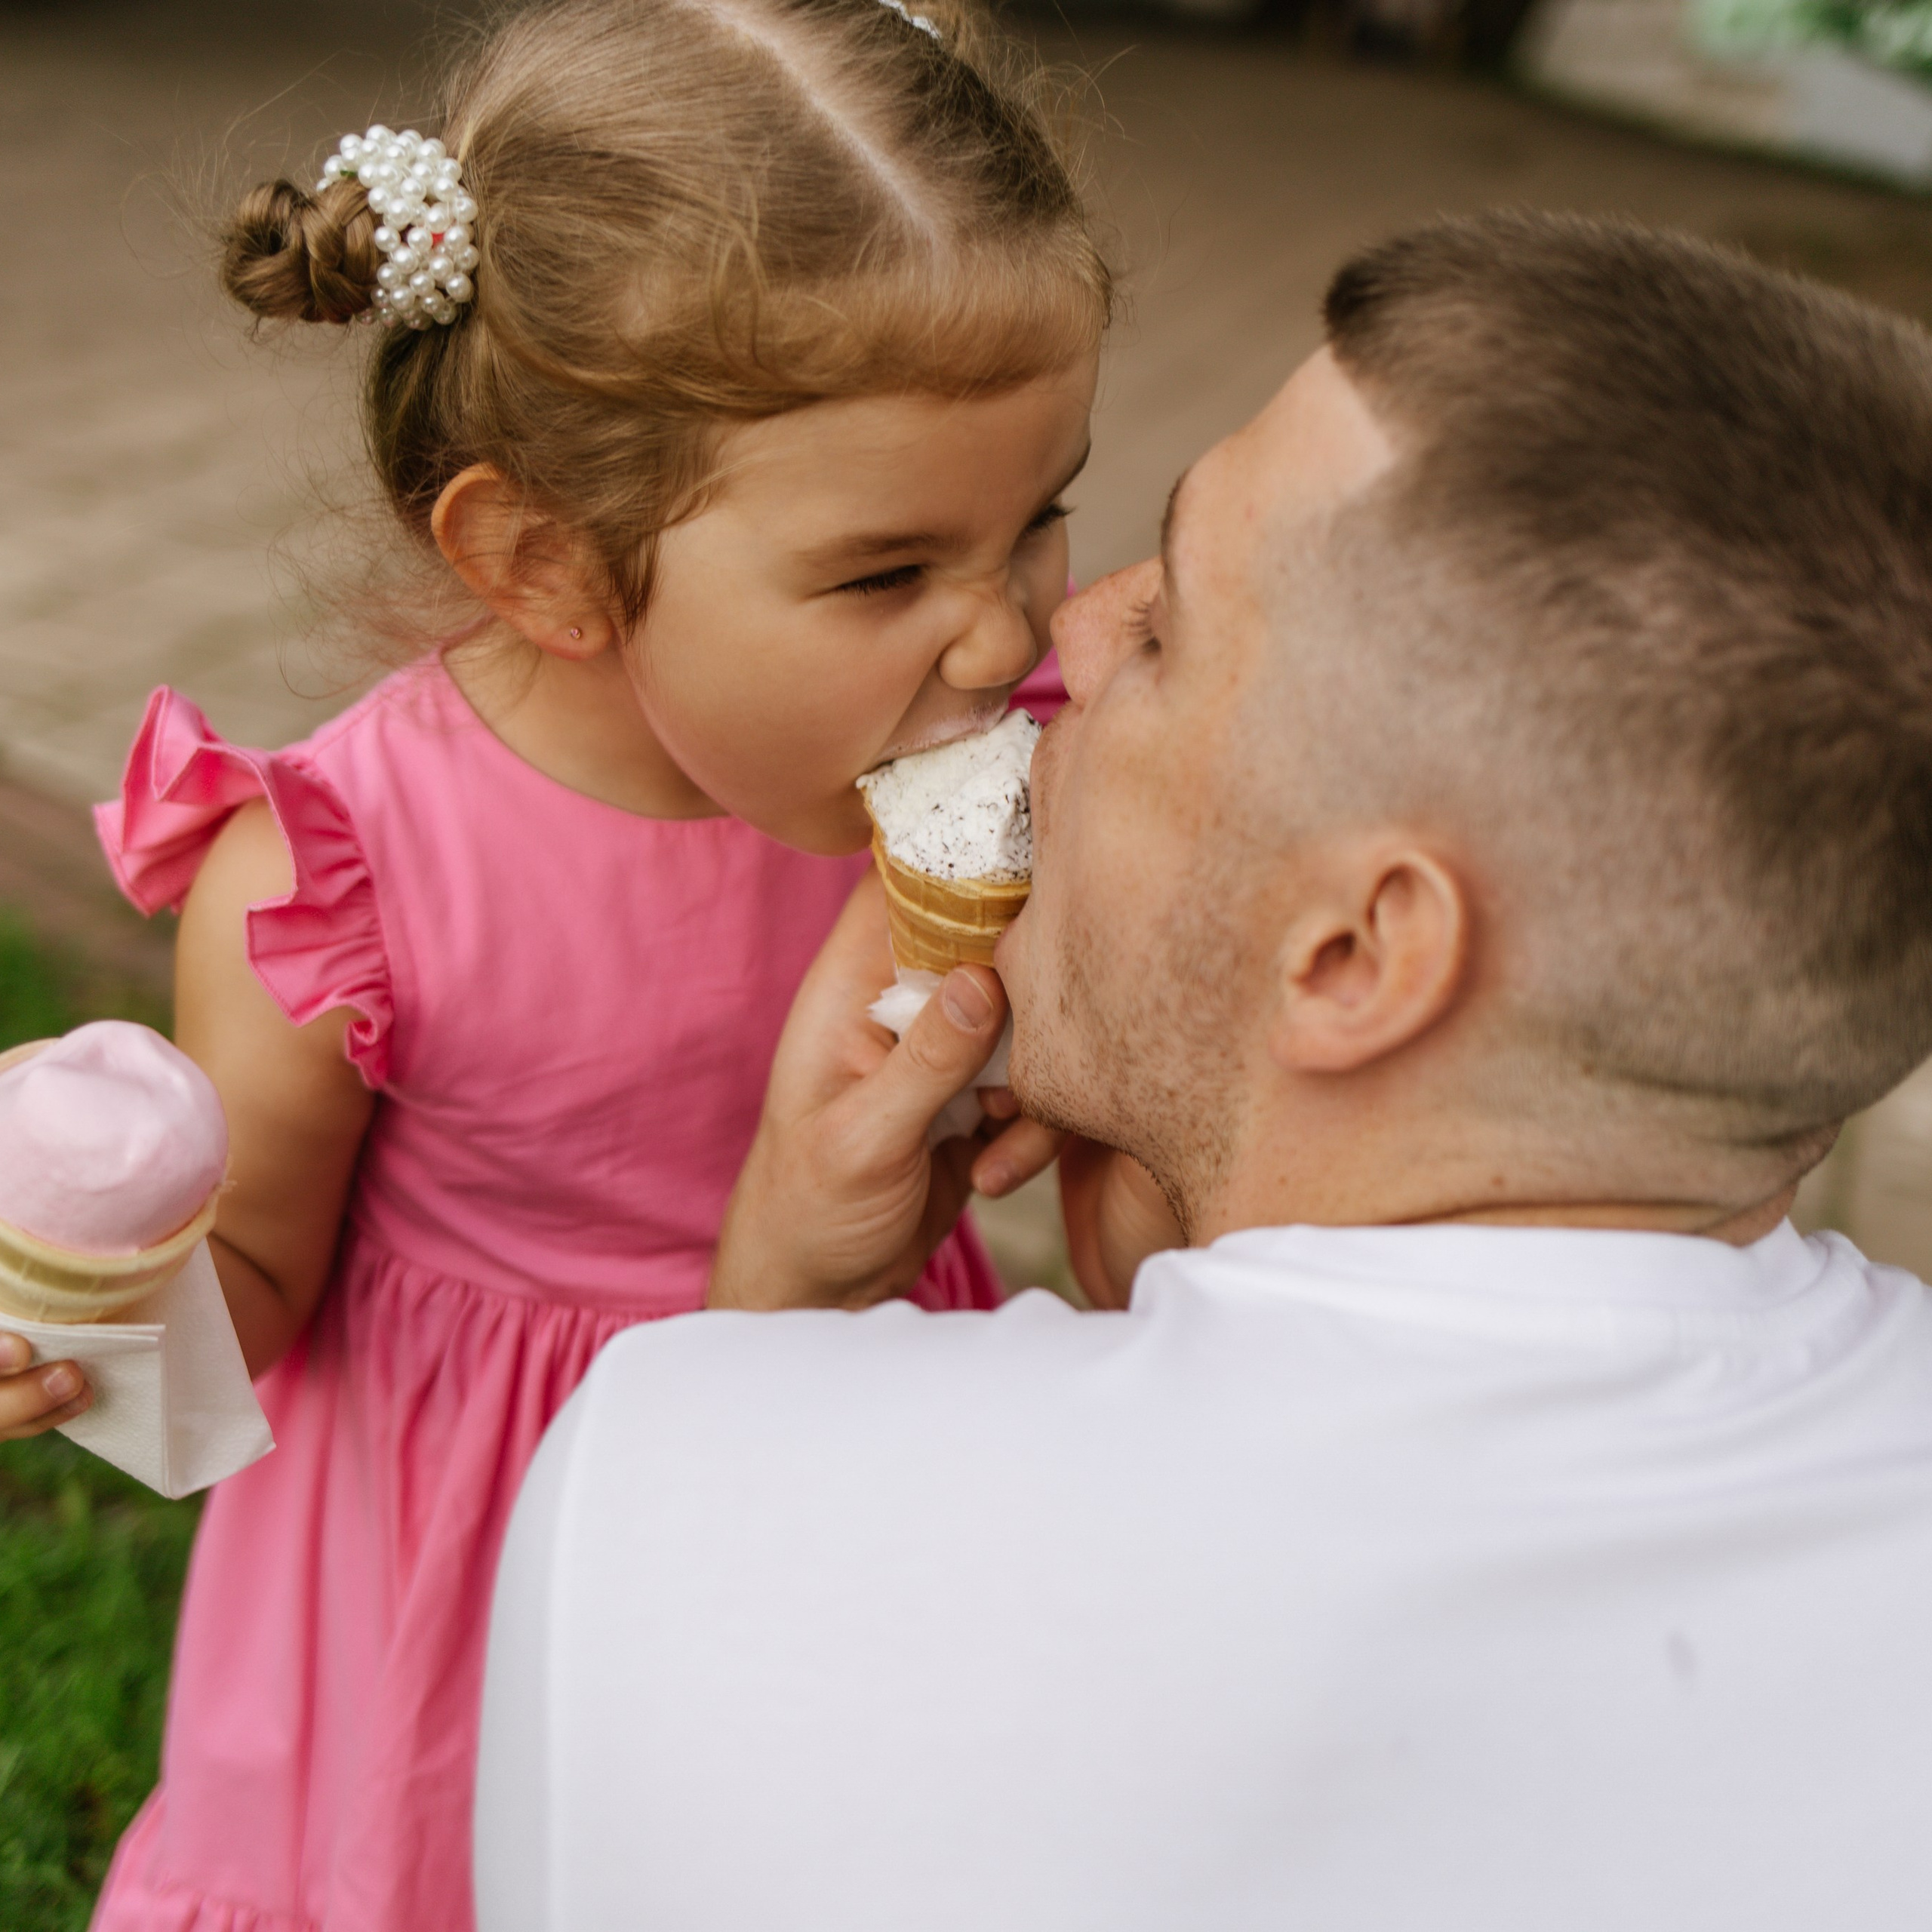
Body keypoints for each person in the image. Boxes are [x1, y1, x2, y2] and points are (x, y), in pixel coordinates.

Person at [477, 211, 1932, 1931]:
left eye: (1167, 632)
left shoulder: (677, 1489)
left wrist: (774, 1325)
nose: (1062, 637)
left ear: (1355, 957)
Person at [0, 2, 1107, 1925]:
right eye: (886, 572)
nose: (999, 636)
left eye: (1040, 520)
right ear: (540, 560)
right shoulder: (334, 881)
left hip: (854, 1429)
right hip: (471, 1556)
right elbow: (252, 1291)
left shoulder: (997, 770)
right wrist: (84, 1303)